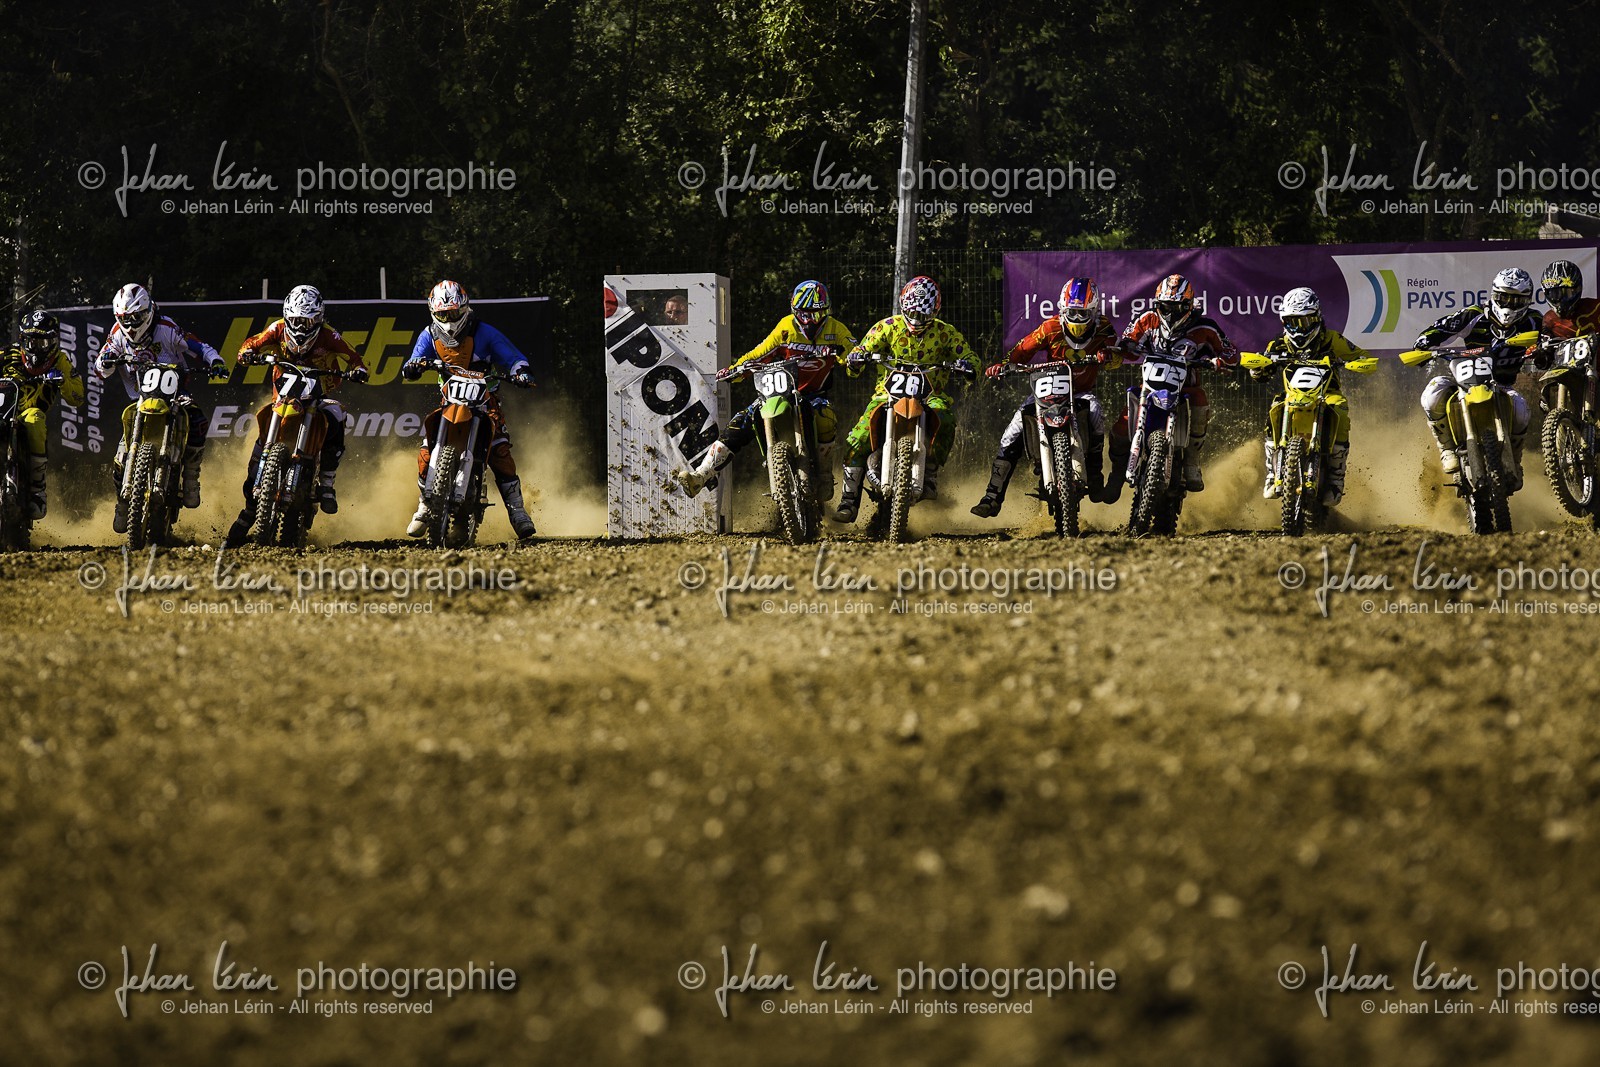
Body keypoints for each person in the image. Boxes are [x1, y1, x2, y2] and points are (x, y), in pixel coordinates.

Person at [672, 279, 855, 499]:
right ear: (795, 311)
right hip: (780, 392)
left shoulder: (836, 328)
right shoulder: (785, 327)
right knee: (741, 422)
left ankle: (825, 474)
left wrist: (853, 358)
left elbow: (853, 353)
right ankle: (700, 476)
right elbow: (760, 352)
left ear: (826, 311)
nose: (810, 321)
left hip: (814, 395)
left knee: (825, 417)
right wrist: (736, 369)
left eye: (816, 315)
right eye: (805, 314)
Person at [971, 277, 1122, 516]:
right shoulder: (1050, 327)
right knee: (1012, 431)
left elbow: (1117, 355)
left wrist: (1108, 355)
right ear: (1062, 309)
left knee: (1096, 413)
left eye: (1083, 314)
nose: (1078, 320)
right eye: (1072, 313)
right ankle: (992, 496)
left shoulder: (1104, 328)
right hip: (1048, 389)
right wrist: (1004, 365)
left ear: (1094, 312)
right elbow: (1021, 349)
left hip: (1081, 393)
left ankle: (1094, 474)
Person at [401, 280, 538, 541]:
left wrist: (520, 371)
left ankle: (518, 512)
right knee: (427, 449)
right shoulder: (428, 335)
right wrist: (413, 367)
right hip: (450, 401)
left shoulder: (484, 332)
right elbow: (413, 361)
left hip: (485, 402)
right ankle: (424, 506)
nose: (449, 320)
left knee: (499, 449)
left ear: (465, 310)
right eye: (443, 314)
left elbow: (512, 356)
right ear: (433, 313)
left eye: (453, 314)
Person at [229, 285, 368, 540]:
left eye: (307, 321)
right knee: (263, 428)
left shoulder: (330, 336)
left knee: (337, 417)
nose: (301, 327)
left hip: (317, 398)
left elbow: (354, 357)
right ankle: (251, 508)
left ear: (318, 319)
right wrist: (247, 354)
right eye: (296, 320)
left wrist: (358, 370)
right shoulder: (278, 328)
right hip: (283, 398)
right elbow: (252, 343)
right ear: (287, 316)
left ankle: (326, 483)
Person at [835, 276, 976, 522]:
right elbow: (861, 351)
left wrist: (967, 366)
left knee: (947, 420)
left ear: (935, 311)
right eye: (911, 313)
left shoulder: (946, 333)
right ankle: (848, 500)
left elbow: (970, 357)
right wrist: (857, 358)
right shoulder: (886, 327)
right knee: (857, 437)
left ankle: (930, 471)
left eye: (922, 315)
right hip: (886, 395)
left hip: (930, 396)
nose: (916, 320)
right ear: (903, 306)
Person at [98, 283, 228, 531]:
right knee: (120, 458)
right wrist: (106, 361)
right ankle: (122, 504)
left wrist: (216, 361)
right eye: (125, 318)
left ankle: (191, 476)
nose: (130, 325)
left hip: (176, 395)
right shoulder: (116, 334)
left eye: (136, 318)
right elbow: (101, 365)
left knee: (198, 419)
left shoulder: (166, 328)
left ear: (147, 313)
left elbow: (197, 346)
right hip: (141, 399)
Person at [1105, 274, 1237, 501]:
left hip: (1186, 389)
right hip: (1150, 387)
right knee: (1120, 427)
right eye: (1165, 306)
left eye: (1176, 307)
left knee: (1200, 399)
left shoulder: (1205, 326)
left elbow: (1230, 352)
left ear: (1188, 306)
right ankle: (1117, 472)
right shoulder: (1147, 319)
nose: (1170, 312)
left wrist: (1221, 360)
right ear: (1157, 304)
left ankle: (1192, 462)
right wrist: (1126, 346)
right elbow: (1127, 342)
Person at [1413, 267, 1541, 487]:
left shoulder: (1533, 320)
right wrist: (1424, 343)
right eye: (1504, 297)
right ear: (1494, 295)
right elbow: (1441, 328)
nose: (1509, 304)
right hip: (1464, 383)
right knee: (1432, 394)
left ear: (1527, 301)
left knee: (1521, 409)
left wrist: (1540, 351)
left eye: (1516, 300)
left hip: (1501, 386)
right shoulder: (1473, 315)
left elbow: (1547, 341)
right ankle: (1446, 449)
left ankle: (1515, 461)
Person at [1250, 288, 1371, 506]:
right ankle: (1271, 473)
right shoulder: (1279, 342)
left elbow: (1361, 355)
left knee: (1340, 409)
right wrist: (1259, 368)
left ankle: (1335, 478)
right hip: (1292, 397)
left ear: (1316, 318)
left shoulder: (1331, 339)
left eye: (1303, 322)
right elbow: (1264, 368)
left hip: (1327, 395)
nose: (1298, 328)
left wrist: (1358, 362)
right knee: (1275, 406)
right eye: (1292, 322)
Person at [1, 310, 85, 519]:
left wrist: (63, 381)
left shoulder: (60, 361)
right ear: (22, 339)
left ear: (53, 341)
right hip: (2, 412)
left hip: (27, 416)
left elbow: (78, 397)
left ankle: (37, 488)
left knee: (35, 419)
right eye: (31, 342)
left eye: (43, 343)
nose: (36, 348)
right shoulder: (6, 355)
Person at [1538, 260, 1600, 419]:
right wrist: (1540, 352)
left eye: (1565, 293)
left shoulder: (1595, 307)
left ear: (1577, 289)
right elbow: (1545, 347)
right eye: (1554, 294)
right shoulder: (1549, 320)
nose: (1560, 299)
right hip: (1573, 373)